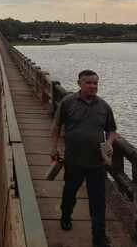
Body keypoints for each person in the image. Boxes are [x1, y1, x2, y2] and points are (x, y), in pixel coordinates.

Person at [50, 70, 118, 247]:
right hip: (73, 160)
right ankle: (66, 215)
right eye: (89, 83)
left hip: (97, 162)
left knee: (98, 200)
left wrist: (109, 143)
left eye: (96, 83)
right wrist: (54, 148)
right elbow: (56, 126)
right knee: (70, 192)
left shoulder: (104, 106)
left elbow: (112, 130)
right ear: (79, 83)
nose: (93, 86)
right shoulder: (68, 102)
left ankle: (98, 236)